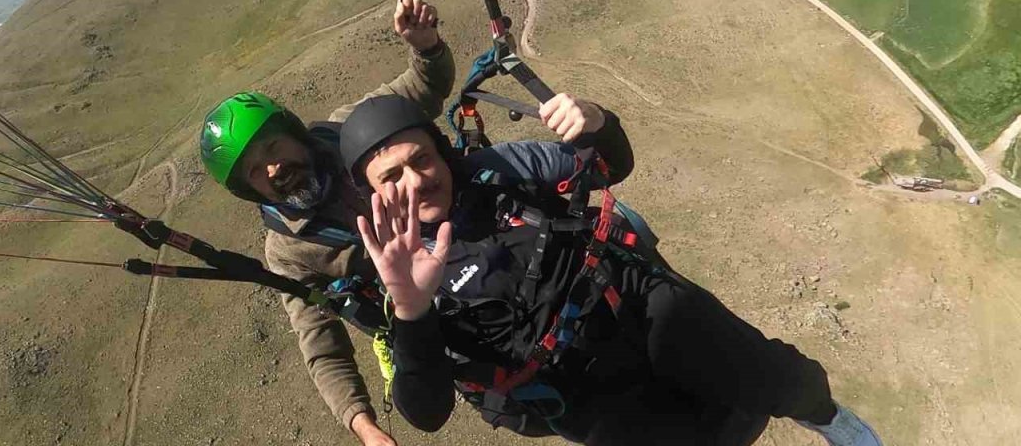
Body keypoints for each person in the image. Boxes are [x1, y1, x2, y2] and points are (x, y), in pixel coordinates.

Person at [339, 94, 883, 446]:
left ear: (442, 153)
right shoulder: (393, 272)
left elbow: (607, 166)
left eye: (421, 160)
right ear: (372, 192)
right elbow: (426, 412)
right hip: (579, 391)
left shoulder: (500, 171)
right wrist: (411, 311)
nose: (413, 182)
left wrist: (598, 123)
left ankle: (824, 414)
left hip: (639, 306)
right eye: (391, 176)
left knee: (775, 374)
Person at [197, 0, 451, 446]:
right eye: (256, 170)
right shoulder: (289, 252)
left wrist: (426, 46)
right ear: (247, 189)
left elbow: (422, 89)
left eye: (272, 149)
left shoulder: (346, 130)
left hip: (458, 239)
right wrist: (365, 427)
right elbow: (321, 345)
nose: (273, 170)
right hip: (418, 304)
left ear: (292, 134)